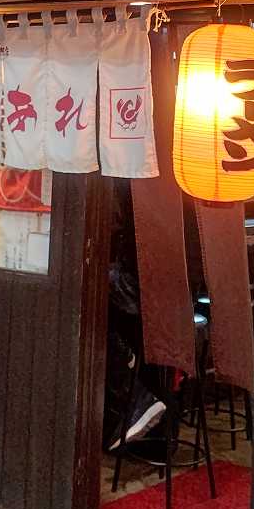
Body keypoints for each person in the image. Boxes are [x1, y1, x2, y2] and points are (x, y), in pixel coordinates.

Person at [104, 182, 165, 453]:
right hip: (165, 300)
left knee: (88, 306)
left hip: (138, 293)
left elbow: (114, 227)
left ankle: (129, 377)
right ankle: (124, 359)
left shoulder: (129, 181)